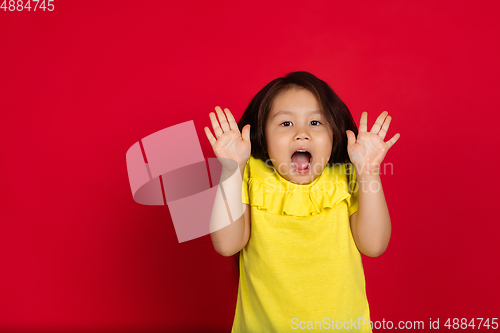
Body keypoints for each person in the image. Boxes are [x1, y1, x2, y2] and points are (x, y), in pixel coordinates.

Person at [204, 71, 400, 332]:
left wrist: (369, 171)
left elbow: (374, 245)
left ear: (334, 135)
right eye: (286, 124)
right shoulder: (249, 172)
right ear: (262, 136)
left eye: (316, 123)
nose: (302, 134)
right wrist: (231, 169)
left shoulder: (347, 174)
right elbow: (227, 245)